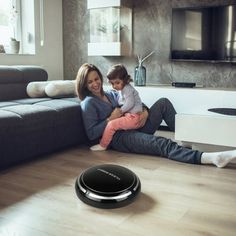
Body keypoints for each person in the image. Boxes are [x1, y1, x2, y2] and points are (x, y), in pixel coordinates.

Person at [75, 63, 236, 168]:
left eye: (96, 79)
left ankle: (190, 139)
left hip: (135, 124)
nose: (95, 84)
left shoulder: (111, 93)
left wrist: (145, 112)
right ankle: (210, 157)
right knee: (161, 143)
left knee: (163, 102)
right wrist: (111, 119)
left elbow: (134, 103)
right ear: (84, 84)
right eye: (90, 82)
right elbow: (91, 134)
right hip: (119, 137)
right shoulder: (88, 103)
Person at [90, 64, 143, 151]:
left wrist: (120, 111)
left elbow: (130, 103)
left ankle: (103, 145)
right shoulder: (121, 90)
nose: (114, 86)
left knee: (111, 125)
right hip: (132, 116)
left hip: (133, 117)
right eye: (112, 83)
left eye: (117, 83)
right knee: (113, 124)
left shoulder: (127, 89)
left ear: (125, 80)